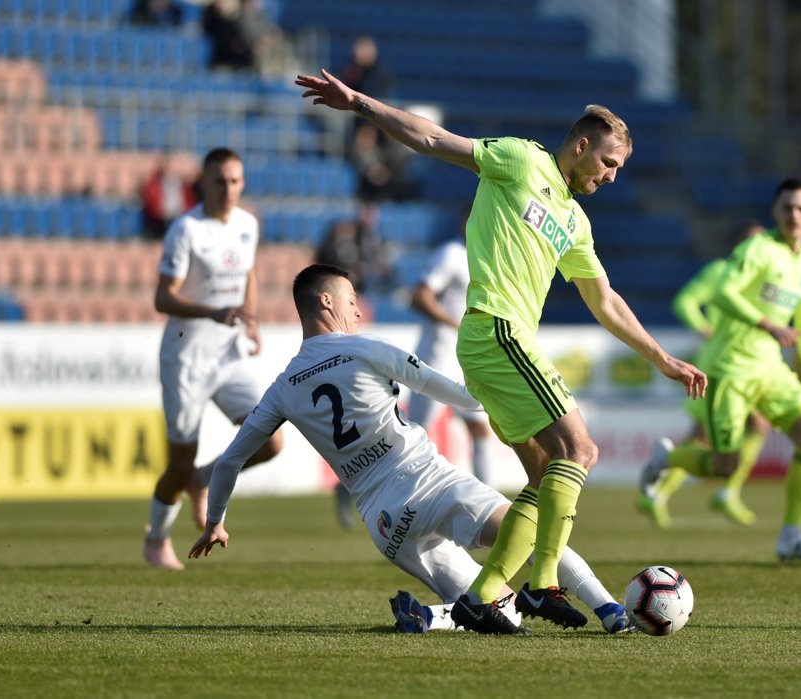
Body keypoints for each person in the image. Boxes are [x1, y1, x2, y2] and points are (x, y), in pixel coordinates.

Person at [294, 68, 706, 633]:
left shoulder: (575, 222)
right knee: (580, 450)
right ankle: (541, 586)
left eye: (619, 170)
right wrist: (360, 103)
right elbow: (435, 140)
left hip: (499, 345)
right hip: (497, 330)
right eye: (608, 163)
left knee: (542, 476)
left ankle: (481, 597)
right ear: (581, 146)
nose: (611, 177)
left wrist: (662, 359)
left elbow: (604, 299)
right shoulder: (521, 160)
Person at [188, 264, 634, 636]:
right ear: (326, 302)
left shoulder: (283, 387)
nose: (358, 310)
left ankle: (427, 617)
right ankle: (612, 612)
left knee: (487, 610)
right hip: (430, 481)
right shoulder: (366, 349)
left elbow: (229, 460)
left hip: (385, 522)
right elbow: (462, 396)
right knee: (532, 541)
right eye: (350, 300)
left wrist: (215, 522)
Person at [643, 179, 801, 562]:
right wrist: (767, 324)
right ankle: (667, 460)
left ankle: (791, 536)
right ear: (775, 212)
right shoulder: (758, 249)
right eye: (787, 208)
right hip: (730, 371)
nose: (794, 215)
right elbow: (722, 293)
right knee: (723, 463)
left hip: (772, 371)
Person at [144, 147, 284, 570]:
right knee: (177, 460)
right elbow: (162, 297)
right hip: (186, 359)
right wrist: (212, 311)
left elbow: (248, 274)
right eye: (220, 181)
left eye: (236, 181)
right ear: (202, 183)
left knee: (271, 439)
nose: (229, 189)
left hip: (229, 357)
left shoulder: (246, 224)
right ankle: (156, 538)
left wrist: (252, 321)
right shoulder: (185, 231)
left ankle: (203, 479)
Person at [637, 221, 770, 529]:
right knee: (702, 435)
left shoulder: (762, 280)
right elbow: (684, 301)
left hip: (749, 364)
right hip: (721, 363)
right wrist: (703, 327)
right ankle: (664, 494)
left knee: (757, 425)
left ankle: (725, 491)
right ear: (738, 247)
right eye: (752, 241)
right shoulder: (721, 271)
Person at [407, 207, 494, 487]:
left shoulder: (483, 260)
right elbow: (419, 297)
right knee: (412, 436)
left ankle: (492, 502)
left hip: (463, 360)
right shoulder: (452, 255)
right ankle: (353, 487)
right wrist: (455, 324)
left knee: (480, 426)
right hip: (436, 356)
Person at [140, 155, 197, 240]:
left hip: (178, 216)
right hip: (160, 219)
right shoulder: (154, 183)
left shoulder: (182, 184)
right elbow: (151, 202)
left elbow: (189, 201)